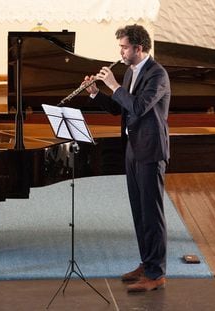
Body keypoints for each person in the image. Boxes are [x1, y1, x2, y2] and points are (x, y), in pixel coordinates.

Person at [83, 24, 170, 292]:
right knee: (139, 210)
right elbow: (120, 108)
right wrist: (97, 93)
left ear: (139, 48)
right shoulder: (133, 72)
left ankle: (156, 274)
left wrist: (113, 84)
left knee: (152, 213)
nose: (120, 51)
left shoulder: (157, 75)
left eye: (124, 47)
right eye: (120, 46)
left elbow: (139, 107)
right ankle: (147, 263)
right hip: (134, 147)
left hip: (150, 150)